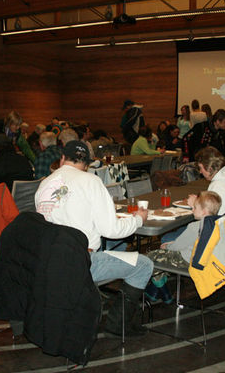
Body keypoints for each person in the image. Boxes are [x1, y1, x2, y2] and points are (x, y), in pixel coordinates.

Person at [35, 141, 152, 337]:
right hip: (81, 263)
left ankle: (89, 299)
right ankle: (117, 324)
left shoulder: (44, 184)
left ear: (62, 158)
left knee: (115, 246)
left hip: (48, 261)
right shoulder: (91, 181)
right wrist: (138, 219)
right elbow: (112, 230)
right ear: (87, 164)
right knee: (144, 265)